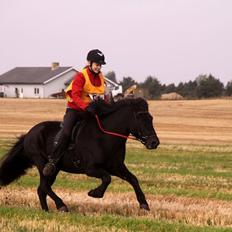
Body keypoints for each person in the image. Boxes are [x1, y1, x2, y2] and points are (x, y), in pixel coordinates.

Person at [42, 49, 106, 176]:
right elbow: (76, 96)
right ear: (89, 63)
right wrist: (85, 107)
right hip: (75, 110)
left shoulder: (100, 77)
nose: (98, 67)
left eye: (100, 65)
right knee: (66, 132)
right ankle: (53, 161)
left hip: (89, 111)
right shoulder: (81, 76)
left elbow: (102, 95)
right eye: (96, 64)